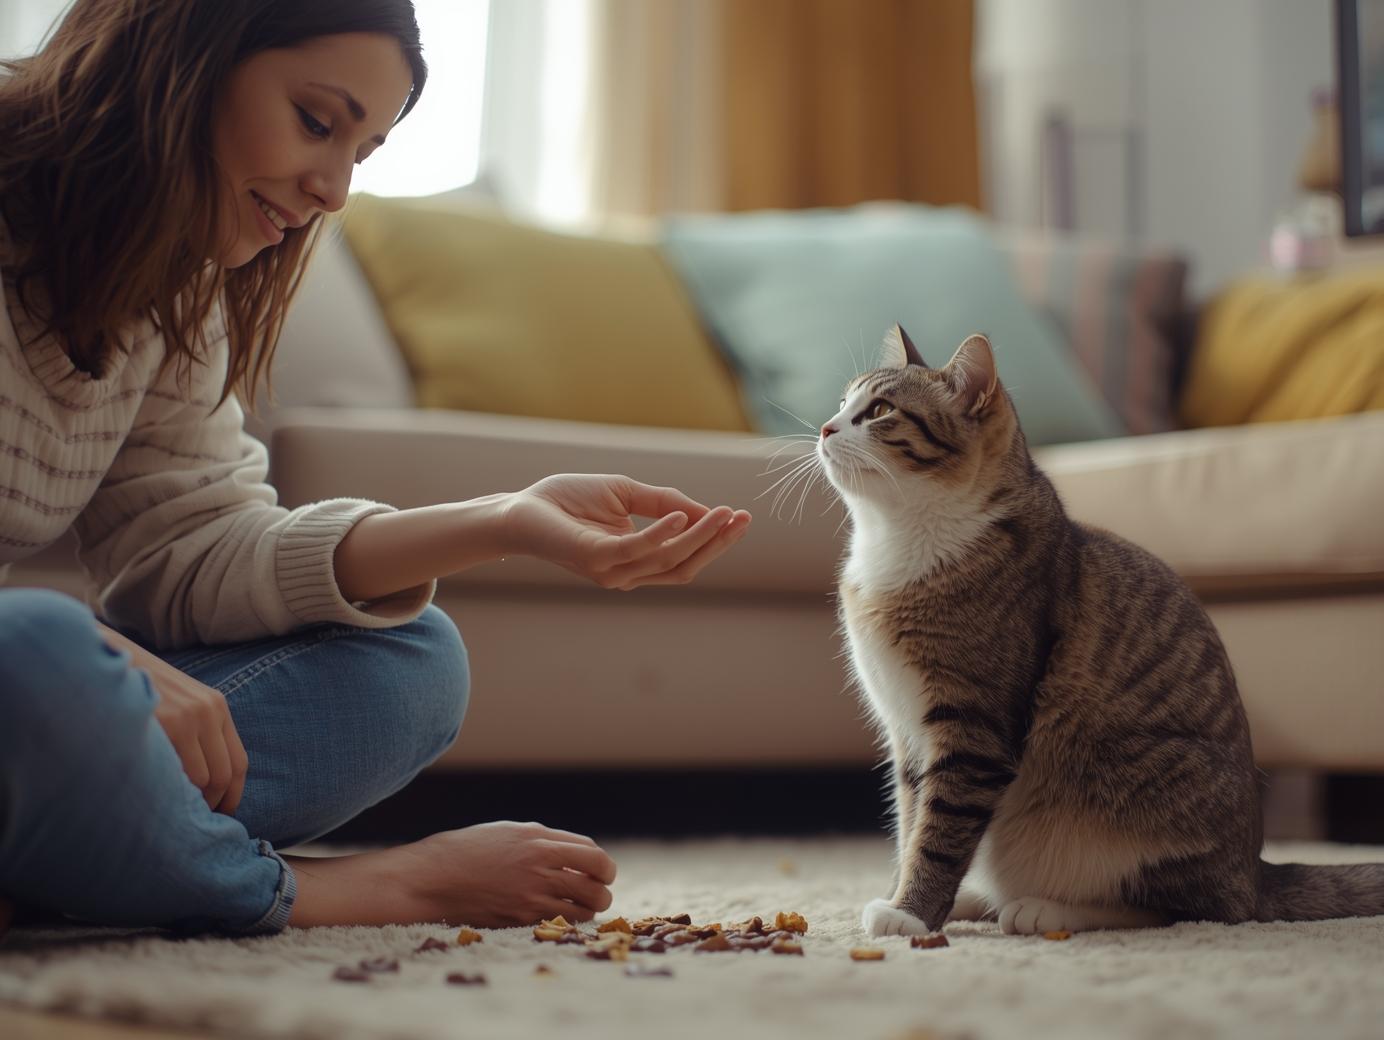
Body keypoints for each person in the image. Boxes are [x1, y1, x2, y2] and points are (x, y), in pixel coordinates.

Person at [0, 0, 751, 936]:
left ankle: (78, 851)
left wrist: (505, 520)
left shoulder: (173, 282)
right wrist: (113, 665)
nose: (334, 190)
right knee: (40, 656)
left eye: (362, 153)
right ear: (179, 54)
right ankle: (334, 890)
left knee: (411, 662)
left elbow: (188, 548)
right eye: (318, 122)